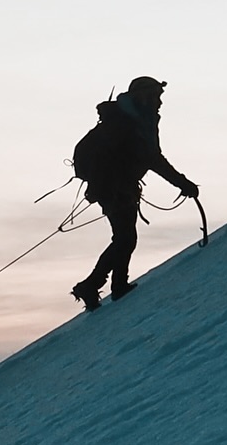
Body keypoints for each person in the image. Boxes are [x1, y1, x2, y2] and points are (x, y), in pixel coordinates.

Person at [71, 76, 199, 311]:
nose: (160, 102)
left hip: (115, 187)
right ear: (144, 96)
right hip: (116, 188)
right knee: (125, 237)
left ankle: (109, 285)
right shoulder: (131, 123)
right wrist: (183, 183)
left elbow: (149, 157)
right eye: (156, 96)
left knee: (124, 237)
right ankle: (100, 285)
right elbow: (153, 158)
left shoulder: (134, 119)